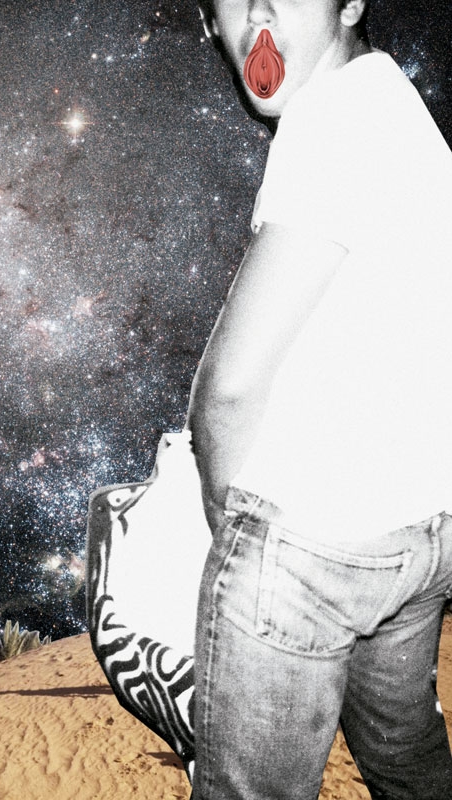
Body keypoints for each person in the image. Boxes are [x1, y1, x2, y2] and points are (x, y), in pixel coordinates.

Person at [187, 1, 452, 797]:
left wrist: (228, 517)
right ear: (209, 24)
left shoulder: (333, 121)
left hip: (309, 548)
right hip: (418, 532)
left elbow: (228, 389)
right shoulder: (397, 110)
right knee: (404, 756)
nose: (258, 12)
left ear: (351, 4)